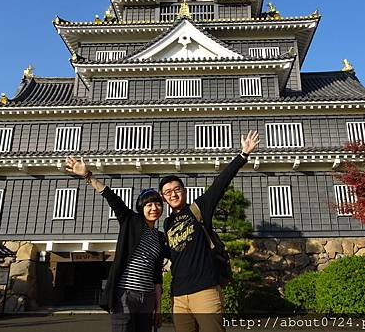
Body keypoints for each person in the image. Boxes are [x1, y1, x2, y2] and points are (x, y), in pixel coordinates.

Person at [161, 130, 260, 332]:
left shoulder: (198, 208)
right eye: (168, 192)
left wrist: (243, 155)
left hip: (205, 290)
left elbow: (219, 184)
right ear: (164, 198)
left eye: (177, 189)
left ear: (184, 191)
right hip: (178, 296)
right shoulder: (167, 223)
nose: (173, 194)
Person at [65, 156, 169, 332]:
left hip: (148, 297)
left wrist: (158, 308)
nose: (154, 208)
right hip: (125, 295)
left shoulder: (159, 237)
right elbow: (112, 197)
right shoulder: (131, 221)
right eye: (149, 204)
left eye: (158, 204)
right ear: (141, 207)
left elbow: (157, 275)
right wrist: (88, 176)